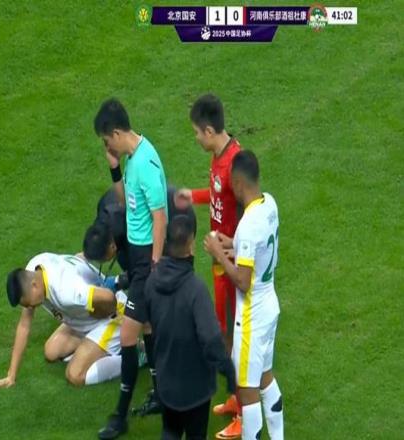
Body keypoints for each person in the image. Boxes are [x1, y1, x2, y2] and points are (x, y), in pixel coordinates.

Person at [94, 98, 168, 439]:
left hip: (146, 260)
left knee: (128, 335)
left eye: (106, 141)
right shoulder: (132, 160)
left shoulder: (146, 164)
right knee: (147, 326)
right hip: (139, 256)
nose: (107, 147)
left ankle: (120, 416)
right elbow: (126, 204)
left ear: (115, 133)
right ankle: (161, 394)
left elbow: (159, 218)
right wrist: (113, 168)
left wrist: (154, 264)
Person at [204, 151, 284, 440]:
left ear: (238, 183)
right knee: (265, 378)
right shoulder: (269, 204)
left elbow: (242, 280)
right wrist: (233, 244)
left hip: (252, 315)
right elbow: (256, 248)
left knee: (248, 393)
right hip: (270, 303)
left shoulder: (248, 224)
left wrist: (218, 254)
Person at [145, 215, 236, 440]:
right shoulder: (195, 290)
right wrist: (227, 370)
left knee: (170, 431)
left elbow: (149, 324)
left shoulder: (151, 282)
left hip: (166, 380)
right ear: (191, 246)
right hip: (195, 388)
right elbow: (211, 338)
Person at [0, 252, 126, 389]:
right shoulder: (33, 270)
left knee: (75, 375)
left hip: (113, 315)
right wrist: (11, 375)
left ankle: (132, 357)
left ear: (34, 285)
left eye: (28, 303)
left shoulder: (65, 291)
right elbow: (24, 326)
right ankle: (92, 347)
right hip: (83, 318)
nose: (30, 307)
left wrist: (100, 314)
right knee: (51, 351)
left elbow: (108, 297)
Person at [174, 94, 242, 355]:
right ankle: (225, 352)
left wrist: (235, 245)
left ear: (210, 131)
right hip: (218, 249)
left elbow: (249, 211)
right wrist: (193, 196)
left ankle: (231, 362)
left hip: (231, 253)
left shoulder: (235, 164)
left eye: (197, 132)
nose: (196, 138)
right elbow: (218, 194)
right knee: (222, 307)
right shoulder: (218, 154)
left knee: (230, 310)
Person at [85, 185, 197, 274]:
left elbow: (144, 266)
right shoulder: (105, 208)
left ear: (112, 246)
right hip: (163, 197)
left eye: (104, 259)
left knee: (172, 271)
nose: (104, 261)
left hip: (178, 214)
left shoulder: (132, 234)